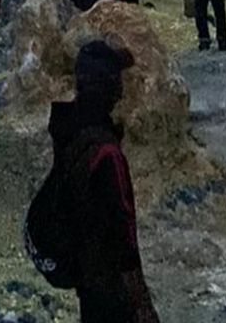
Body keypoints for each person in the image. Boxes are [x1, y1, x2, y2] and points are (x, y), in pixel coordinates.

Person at [47, 40, 160, 323]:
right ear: (109, 87)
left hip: (86, 274)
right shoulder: (106, 153)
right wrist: (142, 305)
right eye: (117, 80)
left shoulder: (69, 127)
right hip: (109, 281)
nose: (122, 90)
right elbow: (124, 236)